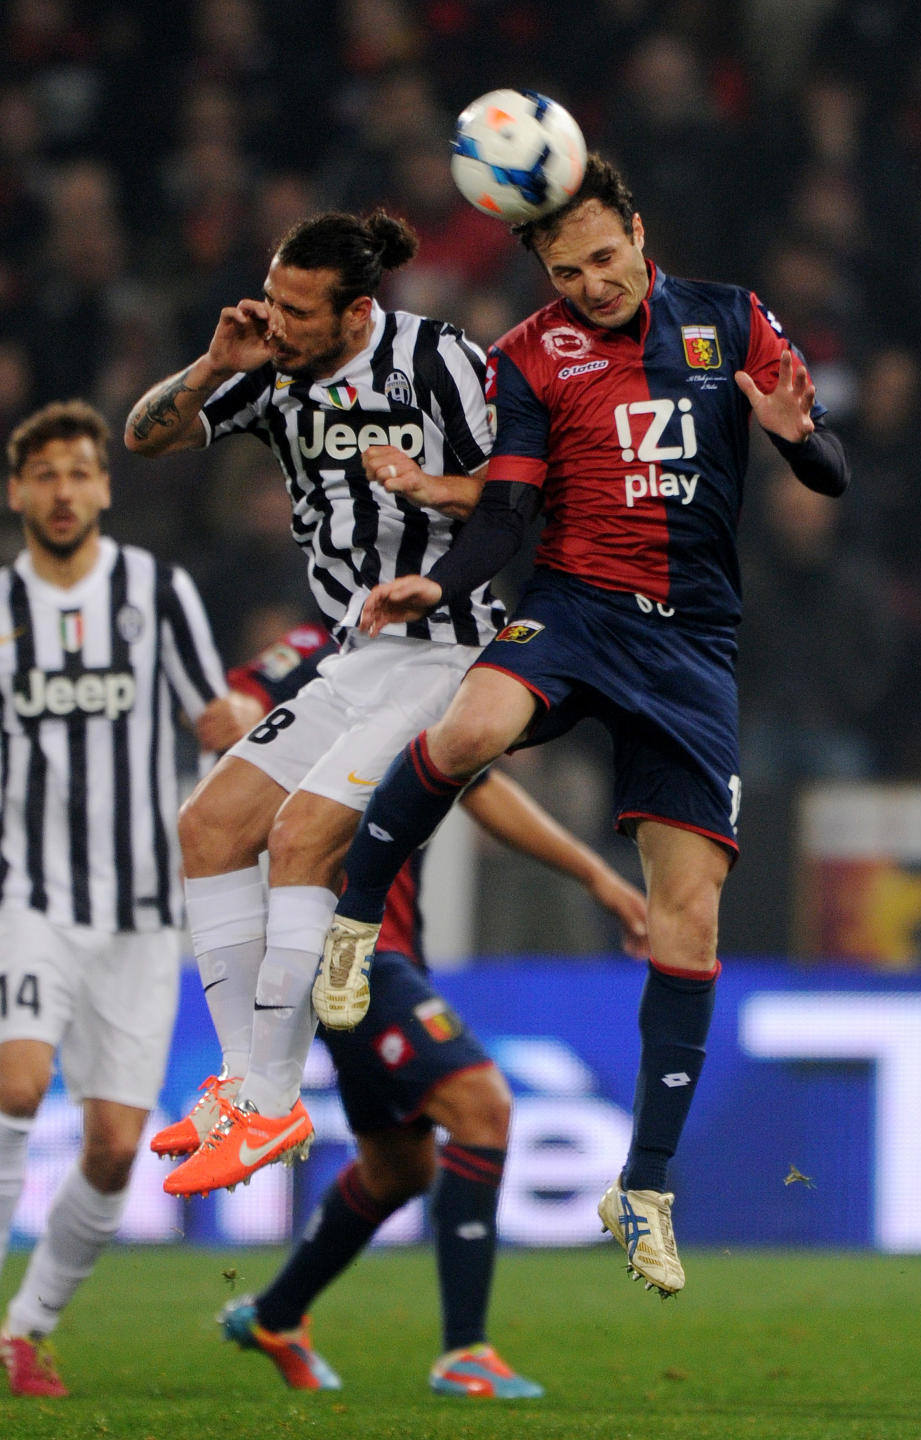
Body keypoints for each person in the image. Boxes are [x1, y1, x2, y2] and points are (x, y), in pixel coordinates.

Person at [315, 155, 851, 1297]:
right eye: (569, 270)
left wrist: (798, 436)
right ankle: (354, 926)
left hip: (694, 649)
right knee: (466, 732)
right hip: (575, 610)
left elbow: (831, 471)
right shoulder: (529, 355)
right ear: (545, 273)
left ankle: (642, 1189)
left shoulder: (730, 318)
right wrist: (438, 585)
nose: (595, 283)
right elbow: (509, 509)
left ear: (639, 233)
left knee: (690, 923)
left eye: (606, 257)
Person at [123, 209, 506, 1196]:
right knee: (208, 826)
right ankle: (243, 1080)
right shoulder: (264, 365)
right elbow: (143, 437)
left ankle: (271, 1098)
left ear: (356, 309)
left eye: (301, 311)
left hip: (447, 652)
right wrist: (213, 367)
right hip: (354, 654)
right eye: (275, 299)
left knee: (301, 837)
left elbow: (517, 501)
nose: (280, 322)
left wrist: (431, 514)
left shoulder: (438, 362)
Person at [162, 624, 649, 1398]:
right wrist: (231, 708)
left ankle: (275, 1315)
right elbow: (244, 698)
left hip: (387, 946)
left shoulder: (430, 669)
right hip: (343, 950)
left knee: (399, 1168)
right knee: (481, 1107)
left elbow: (484, 791)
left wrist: (601, 881)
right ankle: (465, 1351)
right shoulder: (330, 658)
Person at [0, 400, 227, 1398]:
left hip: (142, 912)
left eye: (79, 473)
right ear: (17, 492)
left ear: (104, 485)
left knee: (114, 1146)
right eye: (43, 475)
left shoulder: (156, 590)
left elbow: (214, 720)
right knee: (14, 1087)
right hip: (28, 895)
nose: (62, 491)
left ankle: (28, 1326)